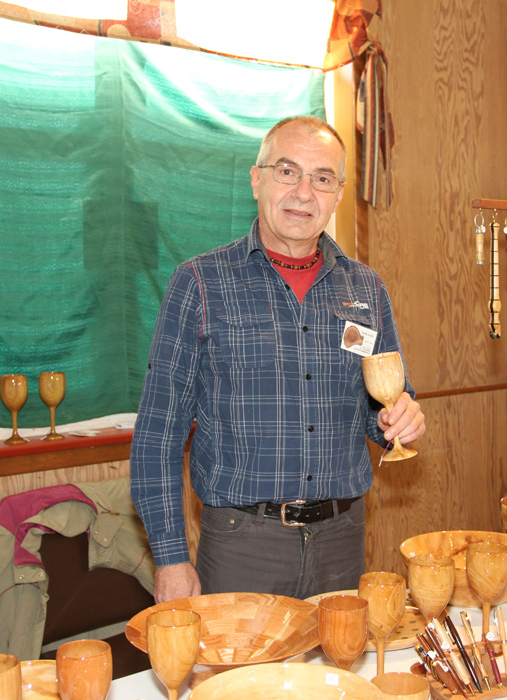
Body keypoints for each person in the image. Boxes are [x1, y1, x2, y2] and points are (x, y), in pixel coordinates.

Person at [130, 115, 425, 604]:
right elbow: (158, 435)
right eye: (287, 172)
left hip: (342, 541)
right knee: (242, 682)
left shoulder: (365, 288)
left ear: (338, 193)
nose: (304, 192)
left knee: (338, 680)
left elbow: (381, 406)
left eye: (323, 178)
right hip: (242, 547)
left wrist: (401, 417)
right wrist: (171, 559)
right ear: (256, 179)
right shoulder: (200, 284)